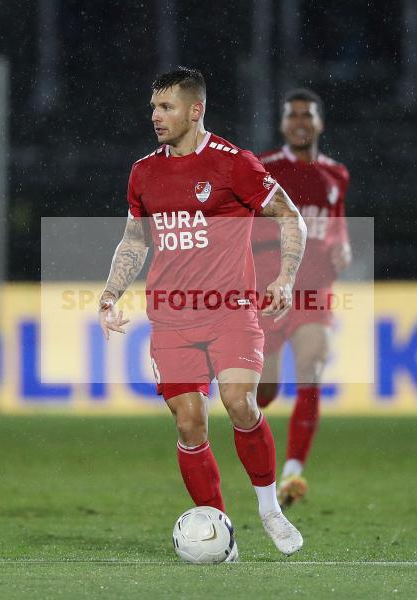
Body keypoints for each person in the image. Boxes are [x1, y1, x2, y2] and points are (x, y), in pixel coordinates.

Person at [97, 67, 307, 558]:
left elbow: (290, 217)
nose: (156, 116)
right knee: (189, 422)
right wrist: (109, 295)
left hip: (231, 311)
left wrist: (285, 278)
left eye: (166, 107)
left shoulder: (235, 165)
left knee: (239, 403)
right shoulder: (144, 172)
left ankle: (268, 509)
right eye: (153, 107)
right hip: (171, 318)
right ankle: (221, 532)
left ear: (196, 110)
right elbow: (133, 240)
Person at [252, 88, 351, 509]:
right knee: (264, 394)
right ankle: (255, 446)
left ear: (319, 123)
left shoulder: (337, 176)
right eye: (292, 115)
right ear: (282, 124)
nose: (299, 122)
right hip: (271, 289)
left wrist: (342, 247)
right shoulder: (263, 168)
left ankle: (292, 473)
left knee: (311, 369)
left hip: (314, 291)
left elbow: (336, 225)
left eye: (307, 115)